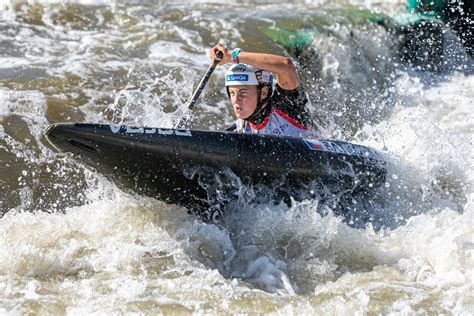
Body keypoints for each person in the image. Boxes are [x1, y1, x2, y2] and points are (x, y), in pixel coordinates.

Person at [209, 44, 318, 137]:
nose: (236, 100)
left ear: (264, 92)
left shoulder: (287, 105)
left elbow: (286, 66)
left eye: (243, 92)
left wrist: (232, 56)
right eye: (232, 93)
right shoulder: (237, 130)